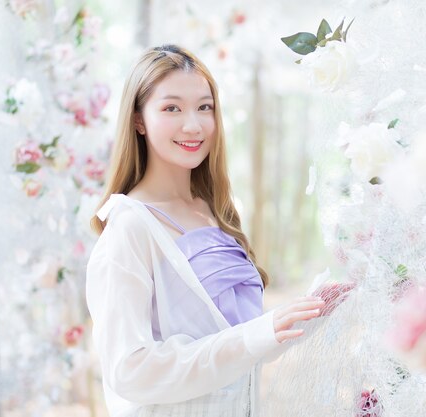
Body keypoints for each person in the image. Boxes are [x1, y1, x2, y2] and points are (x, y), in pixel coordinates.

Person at [86, 45, 327, 417]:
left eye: (204, 107)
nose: (193, 125)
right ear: (138, 120)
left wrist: (306, 314)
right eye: (171, 108)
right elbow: (129, 371)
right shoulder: (130, 227)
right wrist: (254, 336)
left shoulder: (217, 214)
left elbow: (238, 346)